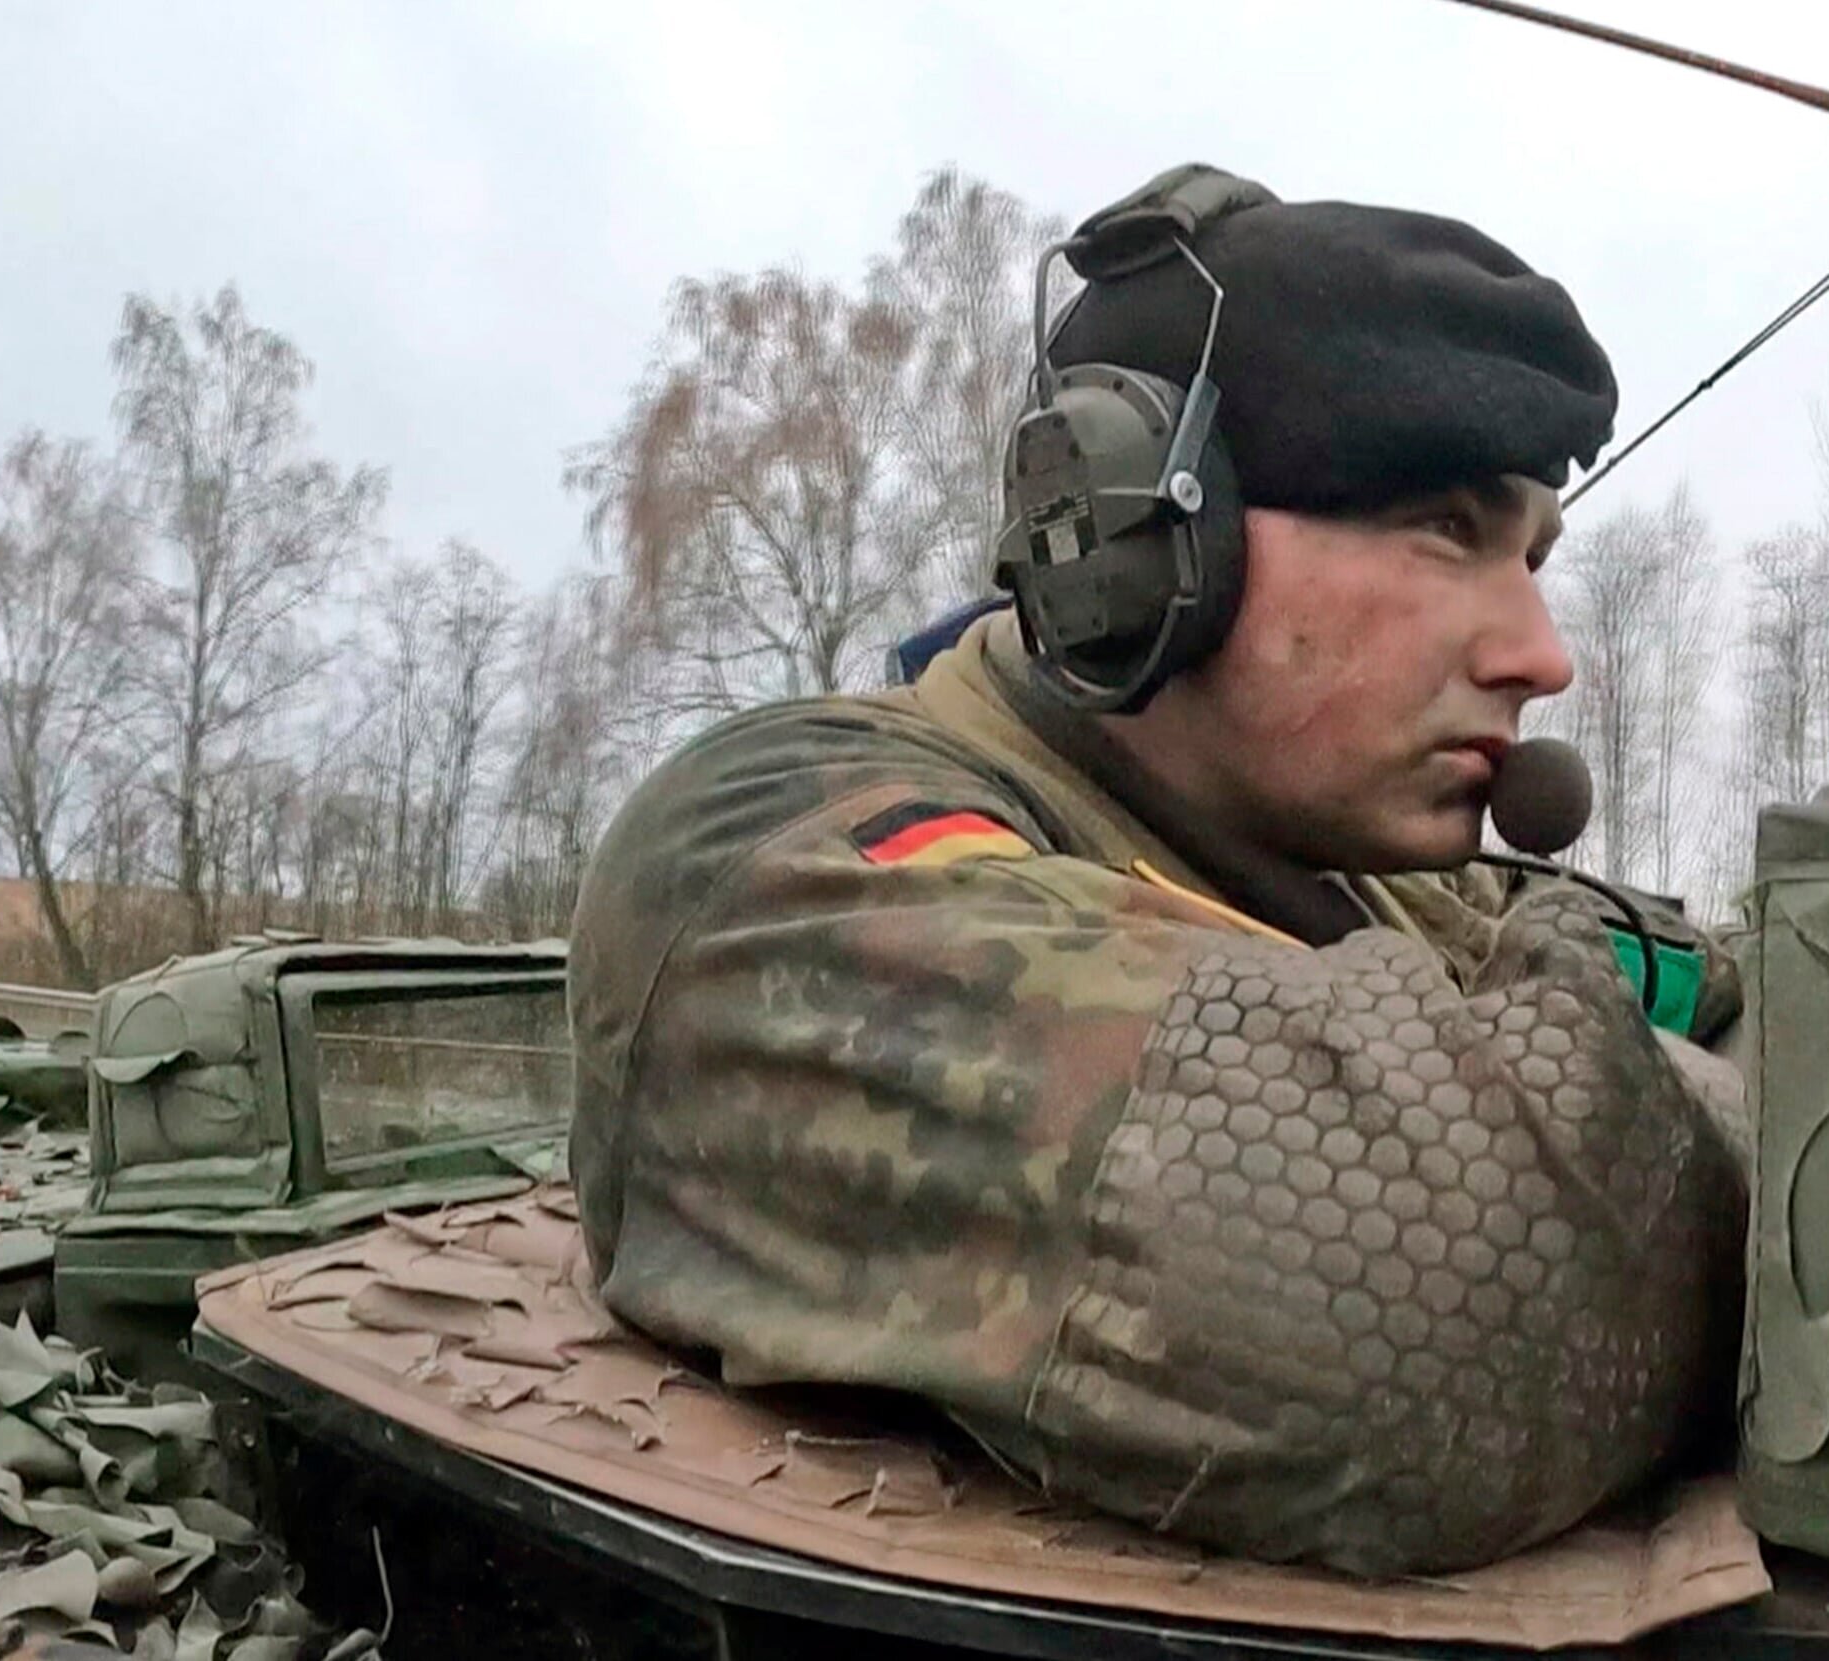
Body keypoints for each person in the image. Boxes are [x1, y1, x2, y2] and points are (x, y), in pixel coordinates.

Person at [566, 164, 1748, 1579]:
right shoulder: (764, 851)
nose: (1540, 654)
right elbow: (1450, 1319)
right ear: (1147, 531)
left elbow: (1711, 987)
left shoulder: (1352, 872)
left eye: (1535, 557)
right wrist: (1806, 1167)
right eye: (1446, 528)